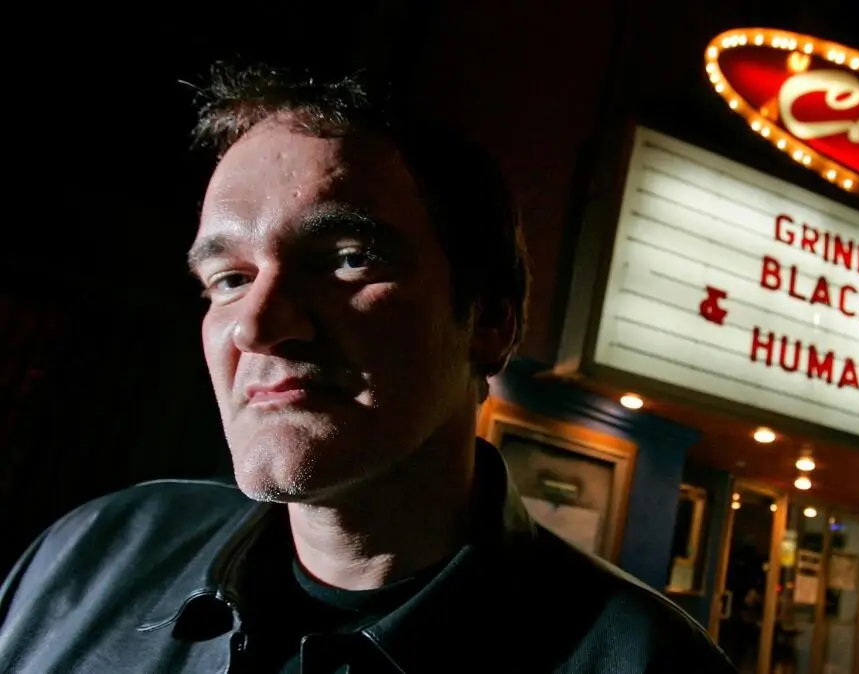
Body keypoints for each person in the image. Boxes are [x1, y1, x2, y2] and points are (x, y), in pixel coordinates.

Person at [0, 62, 736, 673]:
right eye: (228, 278)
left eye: (347, 261)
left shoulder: (645, 661)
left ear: (489, 324)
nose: (257, 324)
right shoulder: (87, 556)